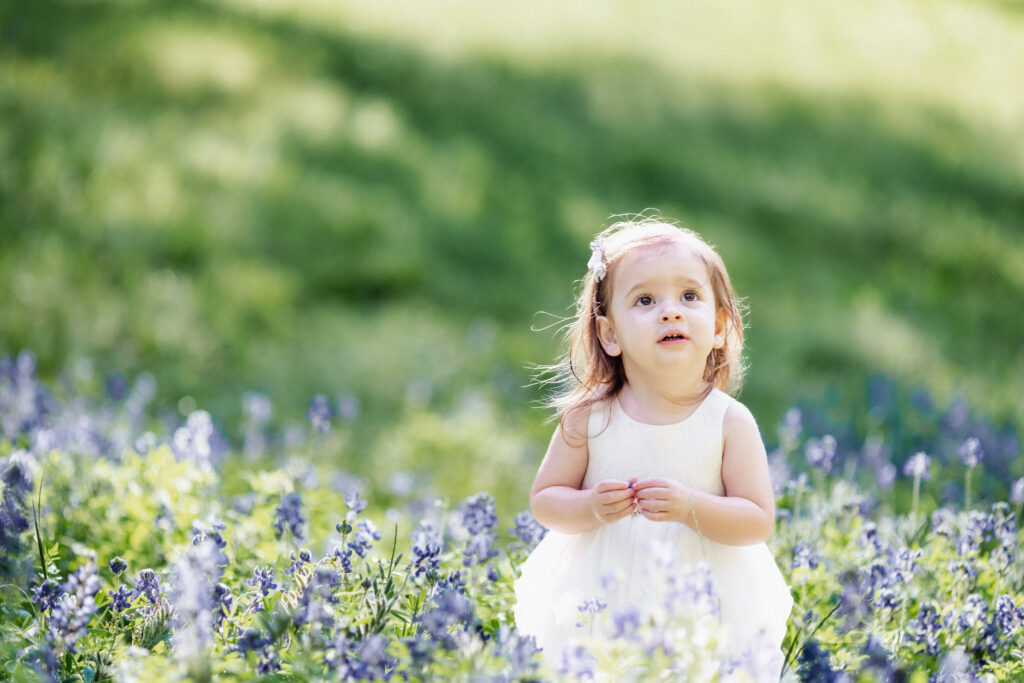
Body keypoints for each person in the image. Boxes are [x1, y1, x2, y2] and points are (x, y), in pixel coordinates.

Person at [514, 217, 793, 677]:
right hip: (603, 587)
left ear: (721, 326)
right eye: (645, 300)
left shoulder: (728, 421)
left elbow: (757, 519)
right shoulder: (589, 417)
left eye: (689, 296)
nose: (671, 311)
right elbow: (546, 500)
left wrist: (690, 507)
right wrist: (591, 508)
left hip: (703, 593)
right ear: (609, 334)